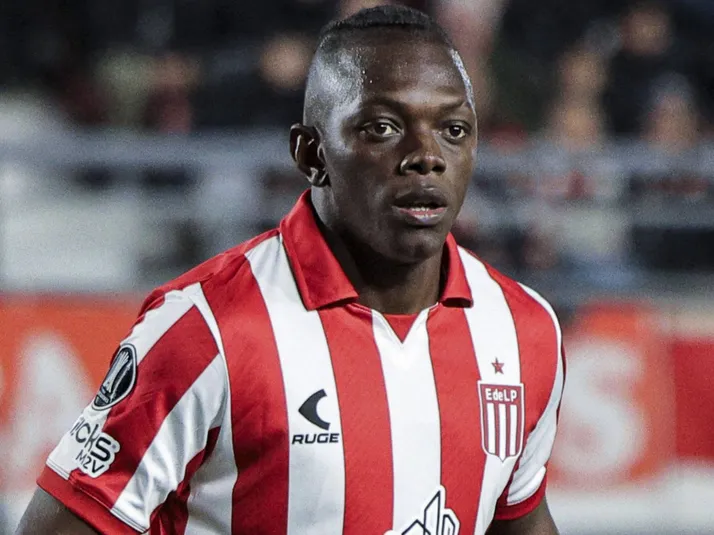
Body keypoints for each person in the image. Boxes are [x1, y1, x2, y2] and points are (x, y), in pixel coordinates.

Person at [16, 6, 565, 535]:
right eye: (382, 127)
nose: (427, 155)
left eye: (454, 129)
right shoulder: (206, 328)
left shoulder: (525, 332)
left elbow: (520, 518)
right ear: (311, 155)